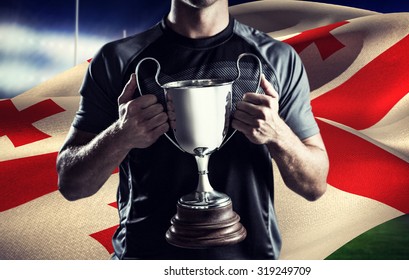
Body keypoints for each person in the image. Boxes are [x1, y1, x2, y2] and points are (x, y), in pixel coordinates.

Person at [56, 0, 329, 260]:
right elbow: (72, 185)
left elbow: (314, 186)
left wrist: (278, 134)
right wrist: (121, 135)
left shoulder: (276, 59)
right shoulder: (118, 59)